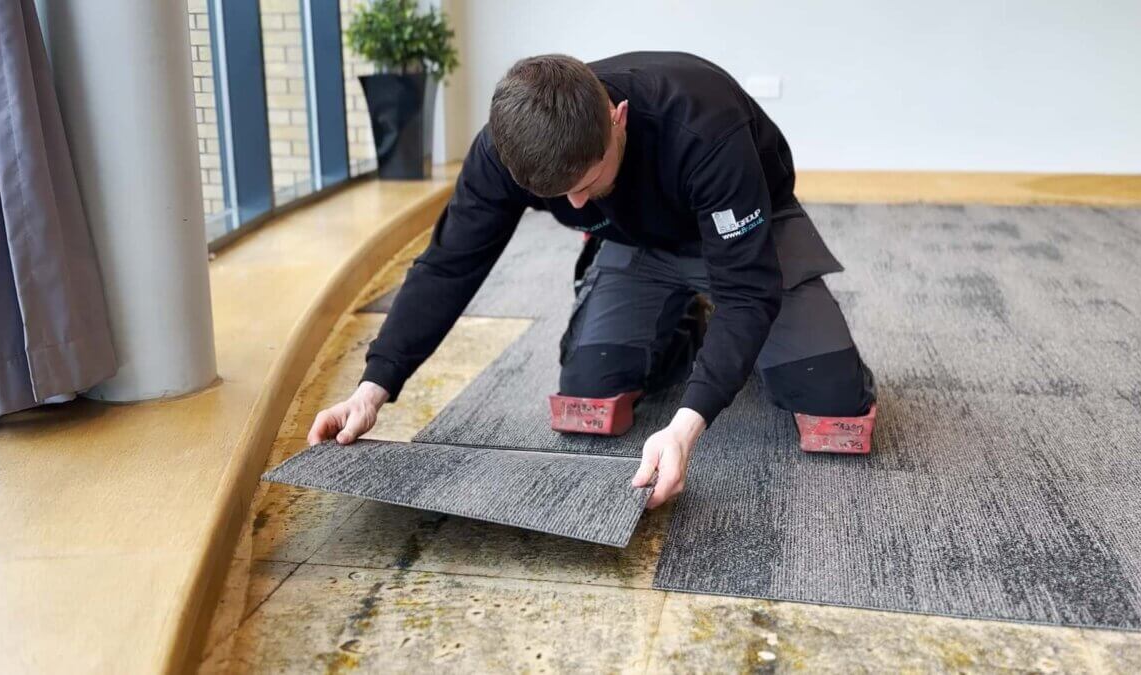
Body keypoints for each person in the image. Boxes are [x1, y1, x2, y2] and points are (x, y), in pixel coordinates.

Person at [308, 52, 875, 508]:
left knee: (832, 402)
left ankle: (735, 335)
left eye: (588, 180)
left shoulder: (703, 127)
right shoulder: (506, 148)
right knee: (588, 392)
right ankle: (690, 325)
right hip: (635, 242)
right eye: (560, 197)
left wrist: (686, 425)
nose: (576, 203)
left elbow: (749, 290)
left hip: (748, 235)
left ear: (616, 117)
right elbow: (450, 262)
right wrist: (374, 386)